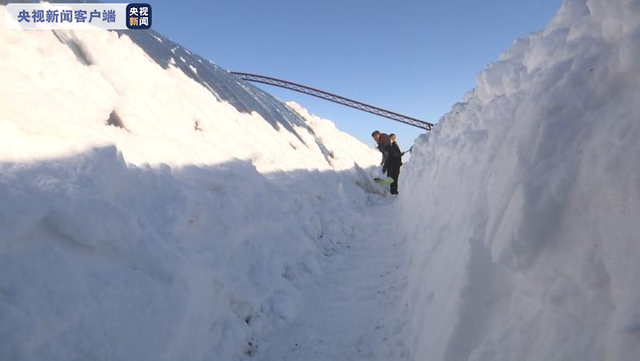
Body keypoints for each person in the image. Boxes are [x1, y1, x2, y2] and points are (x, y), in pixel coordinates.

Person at [371, 130, 402, 195]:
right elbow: (385, 154)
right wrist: (383, 162)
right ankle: (392, 192)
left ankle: (394, 193)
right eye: (374, 138)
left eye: (376, 137)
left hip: (395, 160)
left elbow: (387, 154)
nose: (375, 139)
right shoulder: (381, 141)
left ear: (379, 135)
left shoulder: (384, 141)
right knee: (390, 176)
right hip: (392, 160)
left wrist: (385, 166)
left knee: (393, 177)